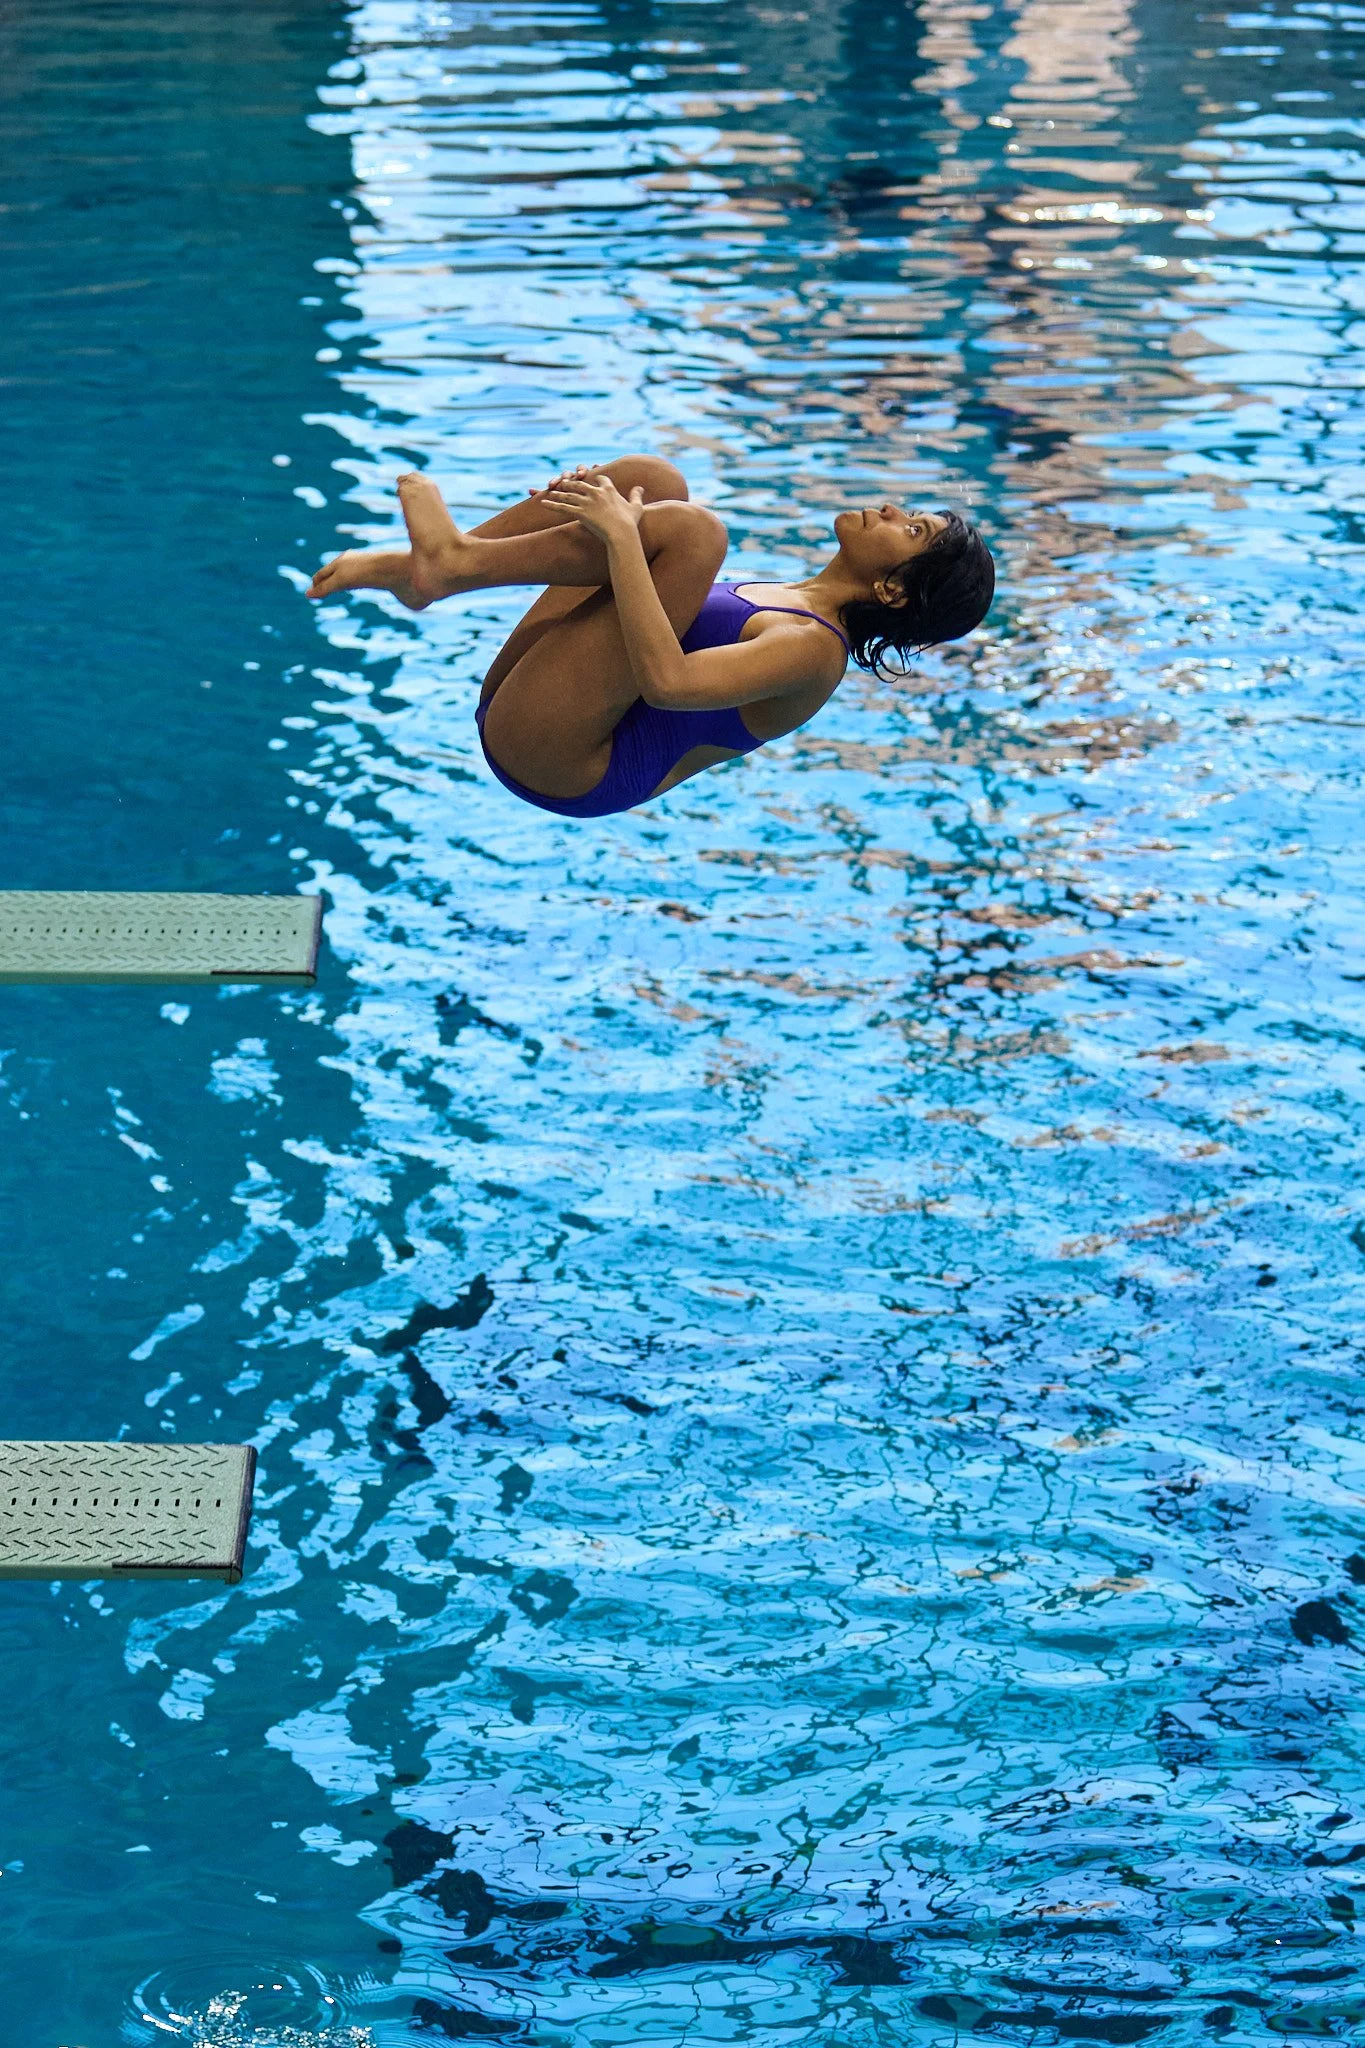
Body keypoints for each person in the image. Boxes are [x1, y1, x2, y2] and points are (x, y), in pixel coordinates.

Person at [309, 456, 994, 819]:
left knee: (693, 532)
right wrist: (599, 525)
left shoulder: (813, 651)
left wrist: (618, 541)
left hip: (563, 762)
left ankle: (448, 565)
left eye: (911, 530)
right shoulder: (794, 594)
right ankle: (441, 567)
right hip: (543, 709)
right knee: (653, 483)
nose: (892, 508)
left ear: (892, 591)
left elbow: (667, 684)